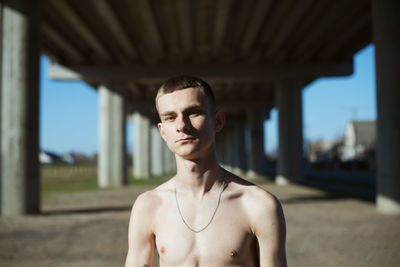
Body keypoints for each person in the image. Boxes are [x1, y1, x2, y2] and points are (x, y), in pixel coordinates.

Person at [125, 75, 287, 267]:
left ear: (217, 120)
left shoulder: (259, 205)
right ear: (162, 132)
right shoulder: (148, 206)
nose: (182, 126)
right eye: (170, 117)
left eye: (193, 113)